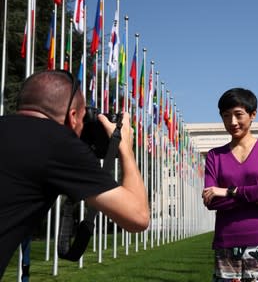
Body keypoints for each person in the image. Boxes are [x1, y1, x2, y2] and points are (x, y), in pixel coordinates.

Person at [0, 70, 149, 278]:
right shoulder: (57, 143)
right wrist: (125, 147)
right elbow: (138, 217)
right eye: (82, 119)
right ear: (72, 116)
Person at [202, 88, 258, 282]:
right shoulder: (215, 156)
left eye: (238, 115)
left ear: (253, 114)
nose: (232, 122)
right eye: (226, 116)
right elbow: (211, 201)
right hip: (227, 242)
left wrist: (227, 191)